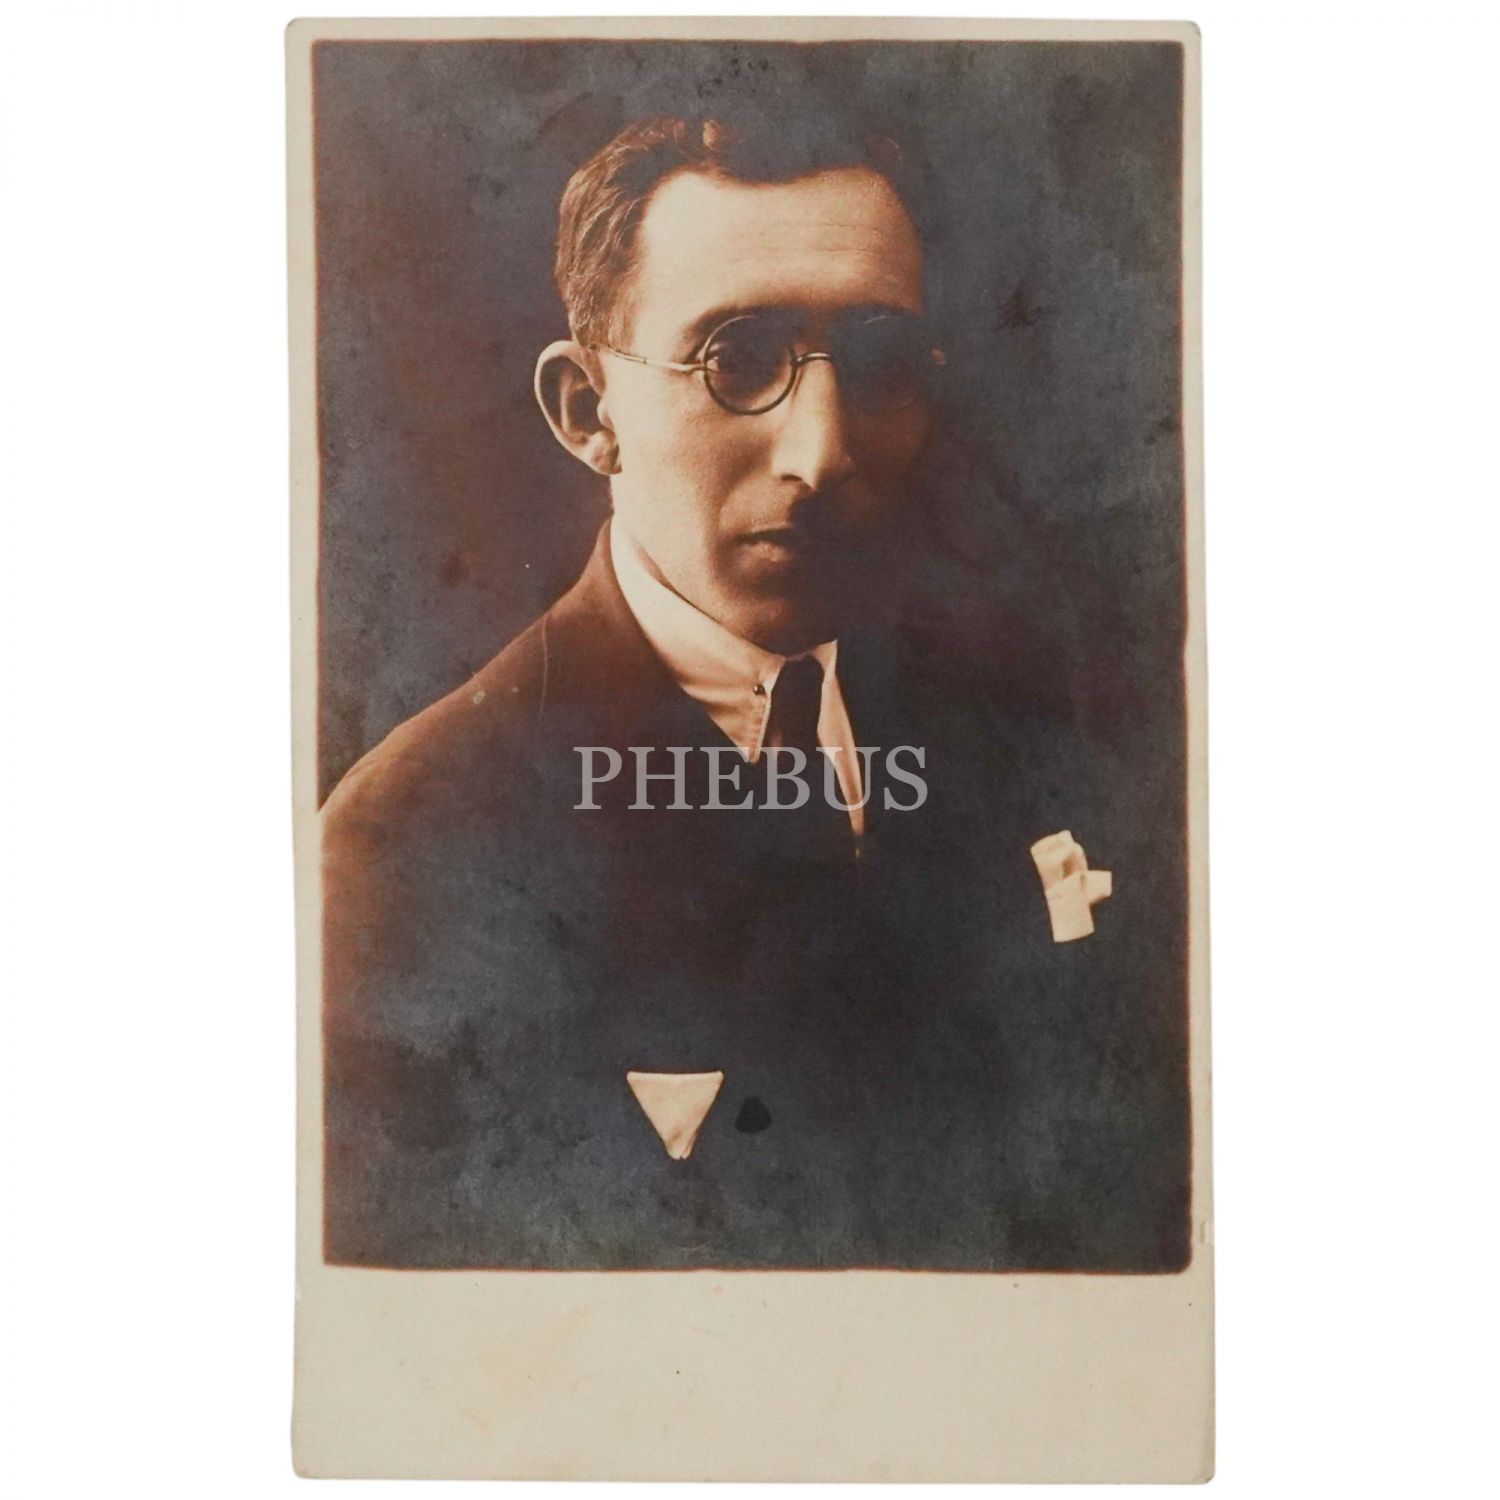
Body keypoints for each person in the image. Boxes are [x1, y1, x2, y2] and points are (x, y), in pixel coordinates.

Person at [321, 112, 1189, 1271]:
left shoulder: (1028, 735)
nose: (821, 453)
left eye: (879, 366)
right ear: (588, 412)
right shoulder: (404, 857)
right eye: (735, 360)